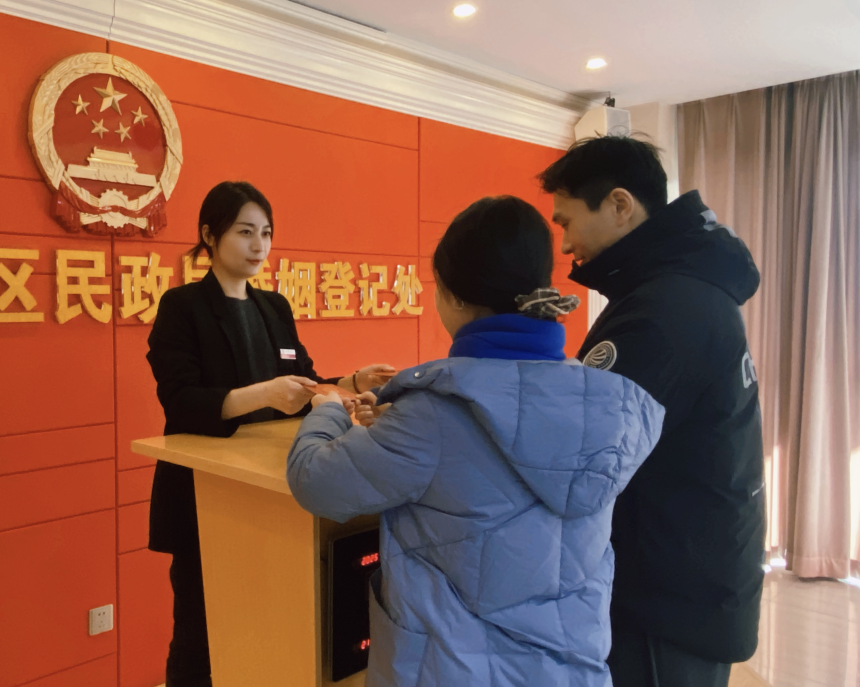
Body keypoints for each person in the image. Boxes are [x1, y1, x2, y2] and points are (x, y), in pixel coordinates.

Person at [286, 195, 664, 686]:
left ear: (457, 298)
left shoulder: (433, 414)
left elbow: (315, 480)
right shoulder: (601, 401)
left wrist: (327, 410)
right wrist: (399, 423)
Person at [145, 180, 394, 687]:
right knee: (198, 633)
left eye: (266, 233)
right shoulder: (182, 306)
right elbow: (181, 400)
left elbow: (303, 382)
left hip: (273, 495)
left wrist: (350, 383)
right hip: (207, 495)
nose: (258, 245)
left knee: (265, 632)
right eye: (244, 232)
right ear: (209, 235)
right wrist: (262, 394)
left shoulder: (274, 306)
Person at [539, 135, 766, 687]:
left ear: (620, 204)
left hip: (666, 601)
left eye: (567, 222)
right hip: (691, 579)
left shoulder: (662, 311)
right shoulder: (683, 291)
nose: (564, 245)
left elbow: (583, 455)